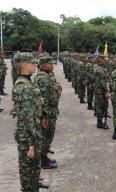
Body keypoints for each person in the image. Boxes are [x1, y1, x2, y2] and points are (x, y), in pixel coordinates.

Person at [12, 52, 47, 191]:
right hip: (28, 136)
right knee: (27, 169)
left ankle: (34, 184)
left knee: (33, 166)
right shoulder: (24, 87)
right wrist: (32, 143)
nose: (35, 65)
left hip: (31, 131)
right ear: (25, 65)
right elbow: (27, 118)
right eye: (33, 63)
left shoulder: (27, 82)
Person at [34, 55, 62, 169]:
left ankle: (43, 156)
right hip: (48, 113)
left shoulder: (47, 75)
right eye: (51, 63)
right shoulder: (43, 79)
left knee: (46, 136)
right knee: (47, 136)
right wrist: (44, 117)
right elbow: (44, 100)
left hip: (50, 110)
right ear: (44, 65)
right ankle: (43, 160)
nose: (53, 65)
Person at [94, 55, 110, 129]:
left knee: (101, 105)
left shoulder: (99, 68)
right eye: (104, 59)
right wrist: (106, 91)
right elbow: (102, 83)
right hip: (101, 91)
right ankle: (99, 123)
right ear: (100, 60)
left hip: (99, 89)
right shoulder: (100, 70)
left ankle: (100, 121)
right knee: (100, 106)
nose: (105, 60)